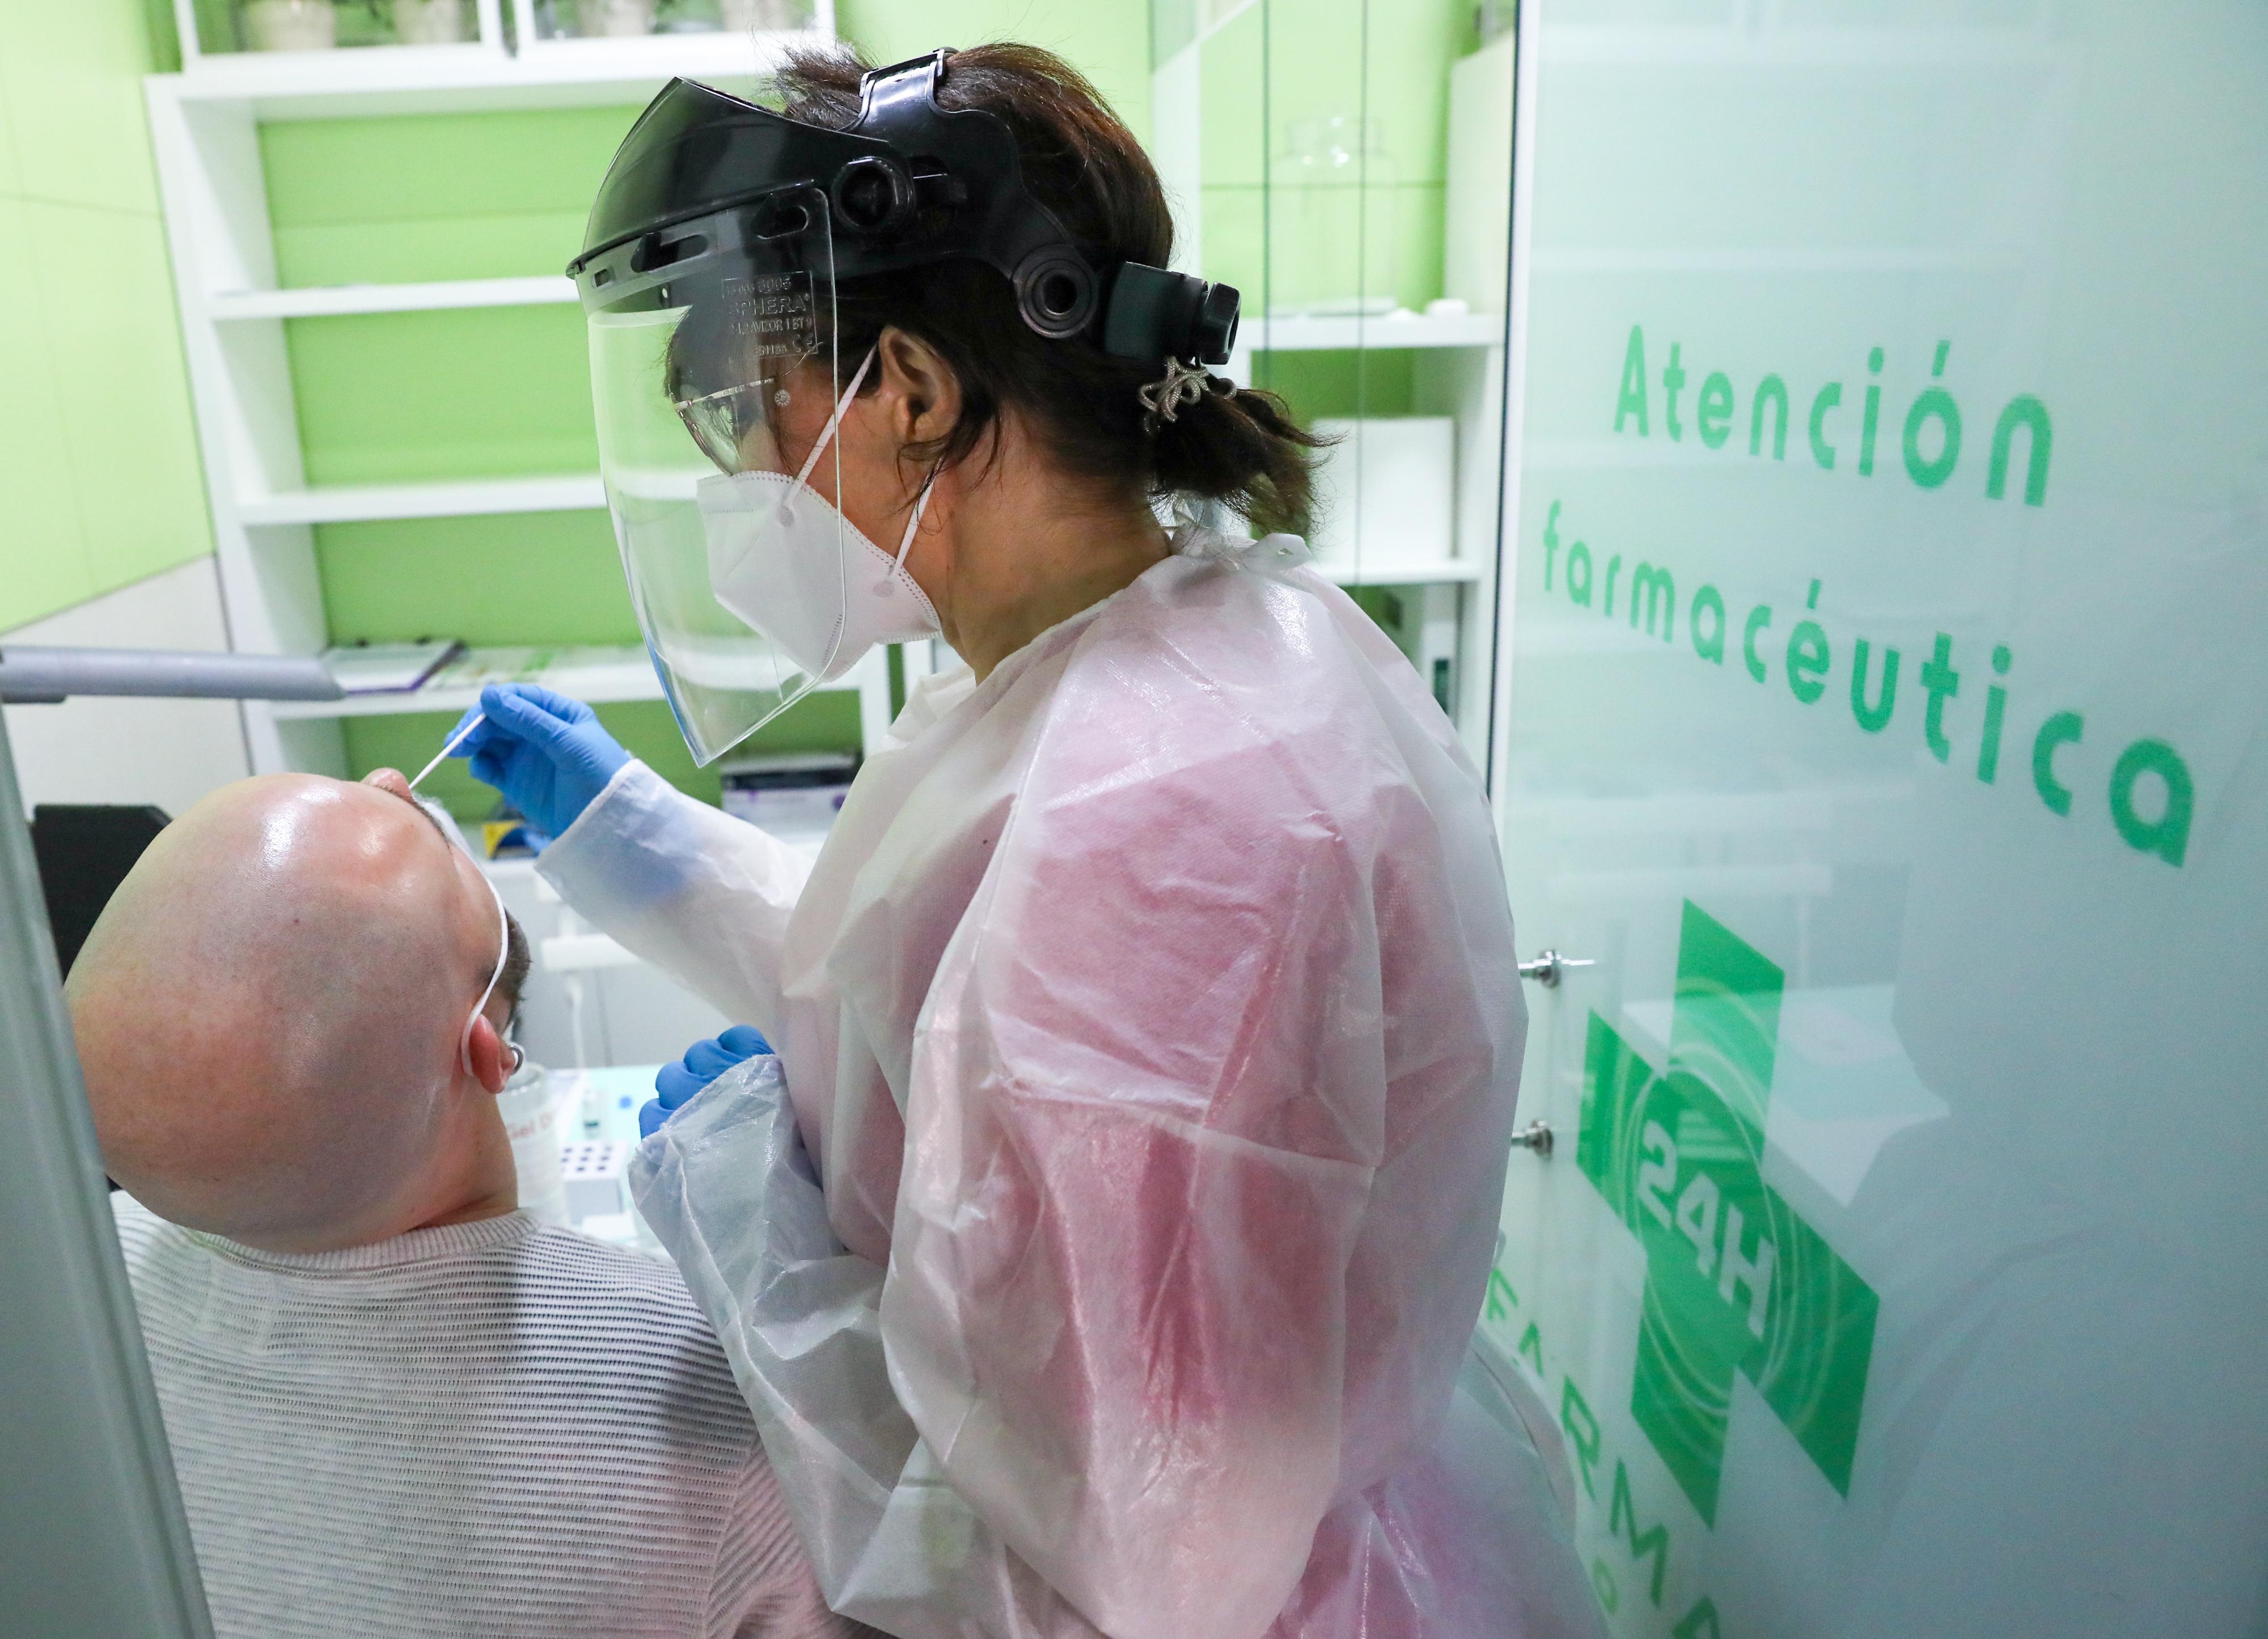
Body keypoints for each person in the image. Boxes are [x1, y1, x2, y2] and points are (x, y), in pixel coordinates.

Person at [443, 41, 1601, 1639]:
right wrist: (639, 842)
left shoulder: (1160, 813)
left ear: (909, 387)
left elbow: (1119, 1564)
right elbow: (952, 992)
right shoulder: (1171, 647)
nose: (739, 481)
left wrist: (761, 1244)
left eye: (740, 413)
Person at [67, 772, 861, 1639]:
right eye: (421, 835)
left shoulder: (64, 1313)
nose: (392, 779)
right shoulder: (717, 1398)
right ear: (487, 1051)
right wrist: (816, 1286)